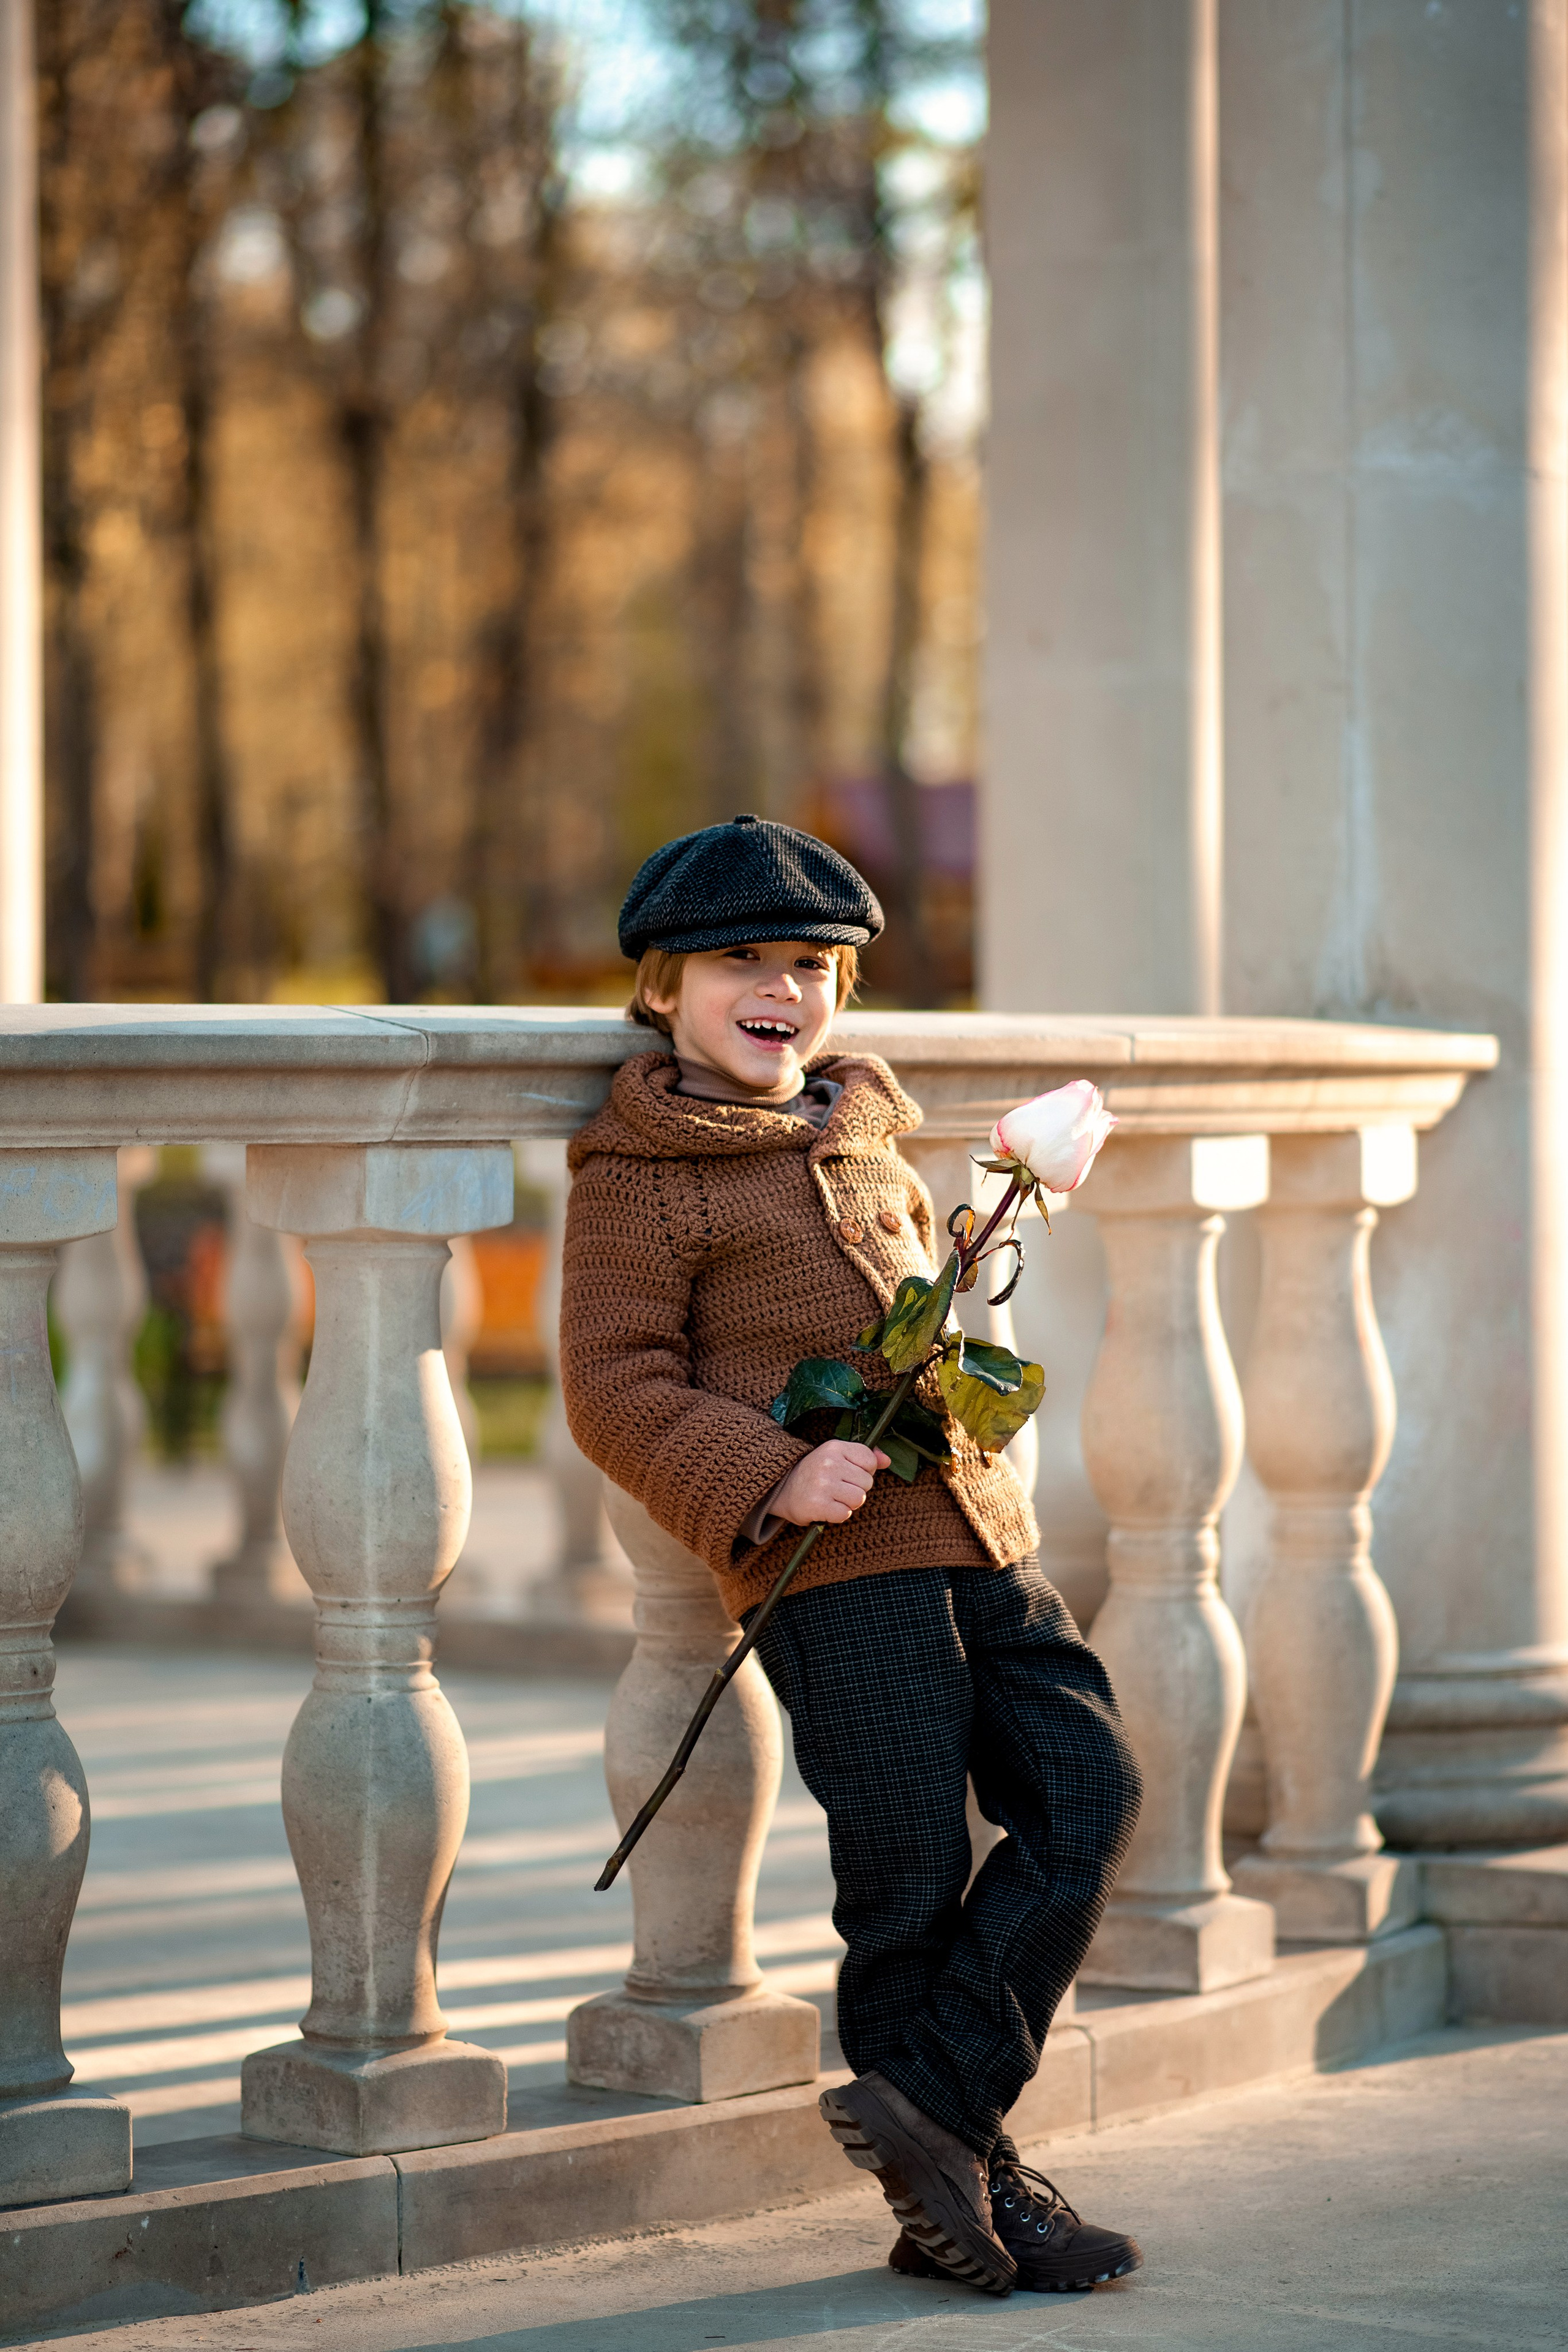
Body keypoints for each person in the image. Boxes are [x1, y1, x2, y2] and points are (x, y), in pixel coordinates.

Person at [559, 814, 1144, 2297]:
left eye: (812, 964)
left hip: (978, 1542)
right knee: (902, 1873)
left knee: (1087, 1792)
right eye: (740, 961)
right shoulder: (640, 1176)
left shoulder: (868, 1133)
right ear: (662, 988)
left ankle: (932, 2108)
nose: (782, 987)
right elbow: (612, 1385)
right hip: (834, 1569)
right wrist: (771, 1469)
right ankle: (965, 2190)